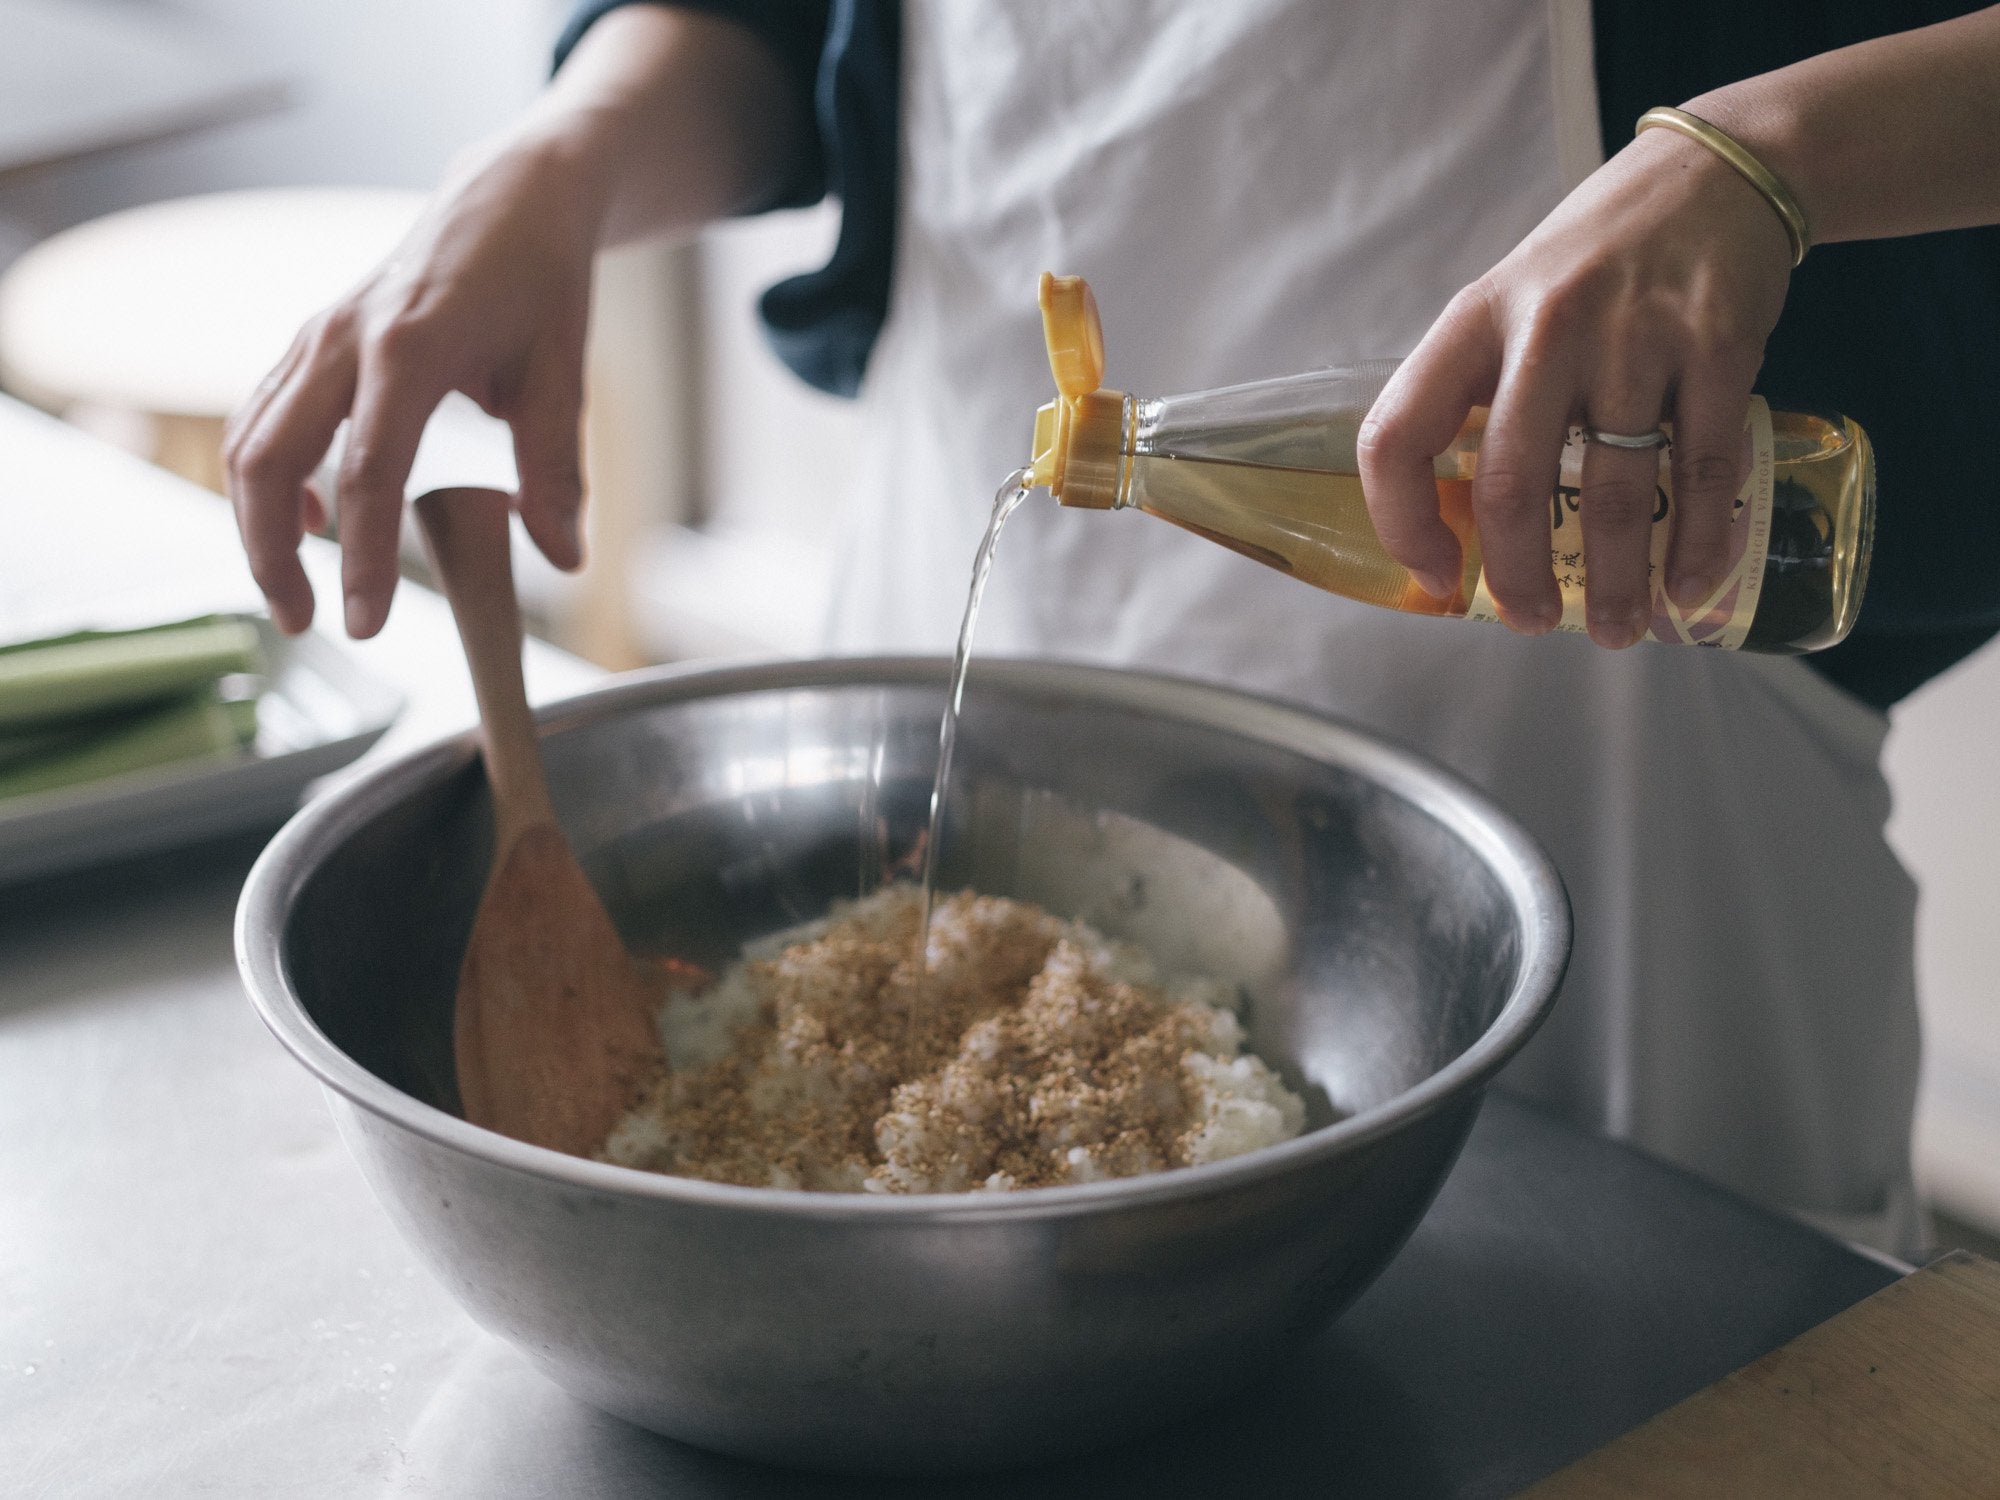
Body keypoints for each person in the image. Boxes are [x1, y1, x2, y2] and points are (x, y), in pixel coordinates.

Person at [224, 1, 2000, 1259]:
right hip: (957, 546)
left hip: (1630, 799)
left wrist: (1771, 153)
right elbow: (777, 25)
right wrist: (559, 160)